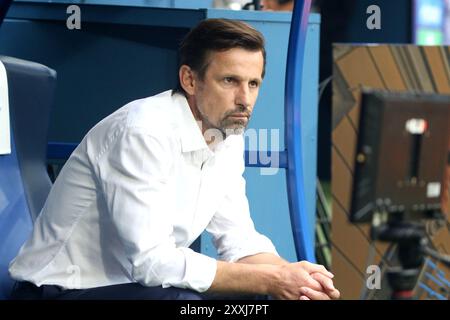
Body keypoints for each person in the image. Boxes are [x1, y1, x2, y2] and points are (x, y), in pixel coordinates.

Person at [9, 18, 340, 300]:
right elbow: (152, 262)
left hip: (137, 289)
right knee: (186, 302)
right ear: (190, 80)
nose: (245, 99)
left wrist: (295, 278)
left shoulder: (227, 135)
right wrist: (271, 280)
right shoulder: (141, 132)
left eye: (253, 84)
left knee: (256, 297)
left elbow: (238, 238)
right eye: (230, 81)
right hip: (61, 290)